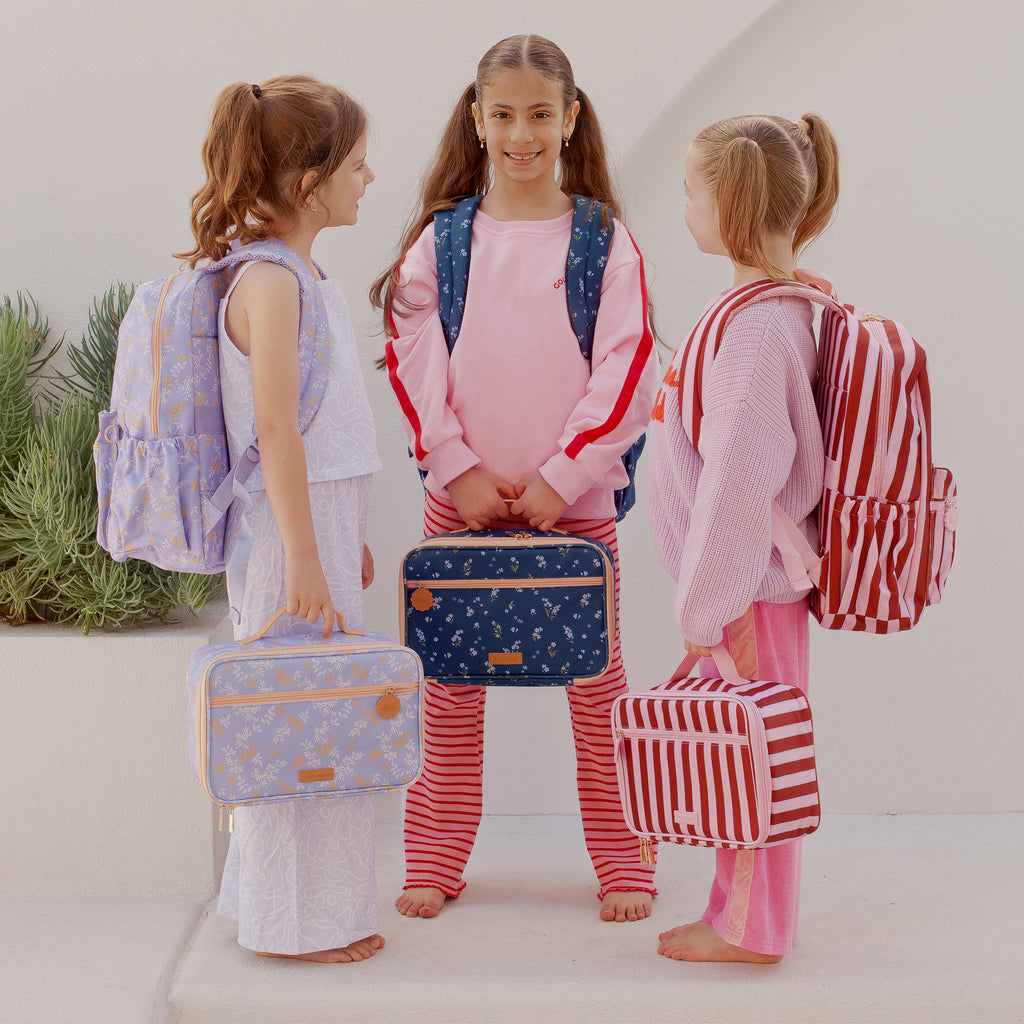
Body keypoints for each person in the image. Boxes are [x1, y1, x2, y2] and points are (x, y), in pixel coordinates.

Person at [371, 34, 660, 923]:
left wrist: (561, 476)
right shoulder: (440, 244)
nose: (522, 133)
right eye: (504, 115)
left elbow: (631, 366)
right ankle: (435, 861)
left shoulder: (604, 243)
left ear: (570, 119)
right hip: (457, 509)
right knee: (449, 693)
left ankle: (625, 866)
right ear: (477, 118)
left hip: (573, 514)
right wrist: (456, 471)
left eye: (541, 114)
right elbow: (409, 357)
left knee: (598, 695)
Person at [178, 75, 383, 962]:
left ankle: (292, 909)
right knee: (293, 718)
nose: (369, 179)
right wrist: (304, 555)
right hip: (287, 537)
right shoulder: (267, 281)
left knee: (322, 711)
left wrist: (342, 536)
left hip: (316, 525)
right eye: (358, 165)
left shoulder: (297, 273)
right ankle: (292, 925)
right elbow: (273, 431)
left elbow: (315, 424)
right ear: (310, 185)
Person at [647, 112, 840, 962]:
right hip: (755, 586)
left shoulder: (758, 328)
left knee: (750, 750)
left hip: (749, 588)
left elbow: (737, 480)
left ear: (731, 202)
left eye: (692, 190)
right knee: (749, 746)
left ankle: (750, 927)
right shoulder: (768, 308)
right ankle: (743, 916)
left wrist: (708, 605)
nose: (683, 206)